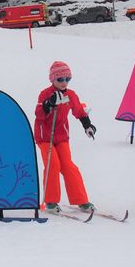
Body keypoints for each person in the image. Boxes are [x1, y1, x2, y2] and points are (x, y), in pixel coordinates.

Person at [34, 61, 96, 213]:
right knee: (53, 164)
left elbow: (79, 111)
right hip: (45, 137)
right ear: (52, 79)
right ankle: (50, 201)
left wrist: (87, 125)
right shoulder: (45, 94)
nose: (64, 83)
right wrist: (49, 103)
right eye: (60, 79)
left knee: (68, 165)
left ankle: (82, 201)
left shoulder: (71, 95)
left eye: (67, 79)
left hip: (61, 137)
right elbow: (39, 113)